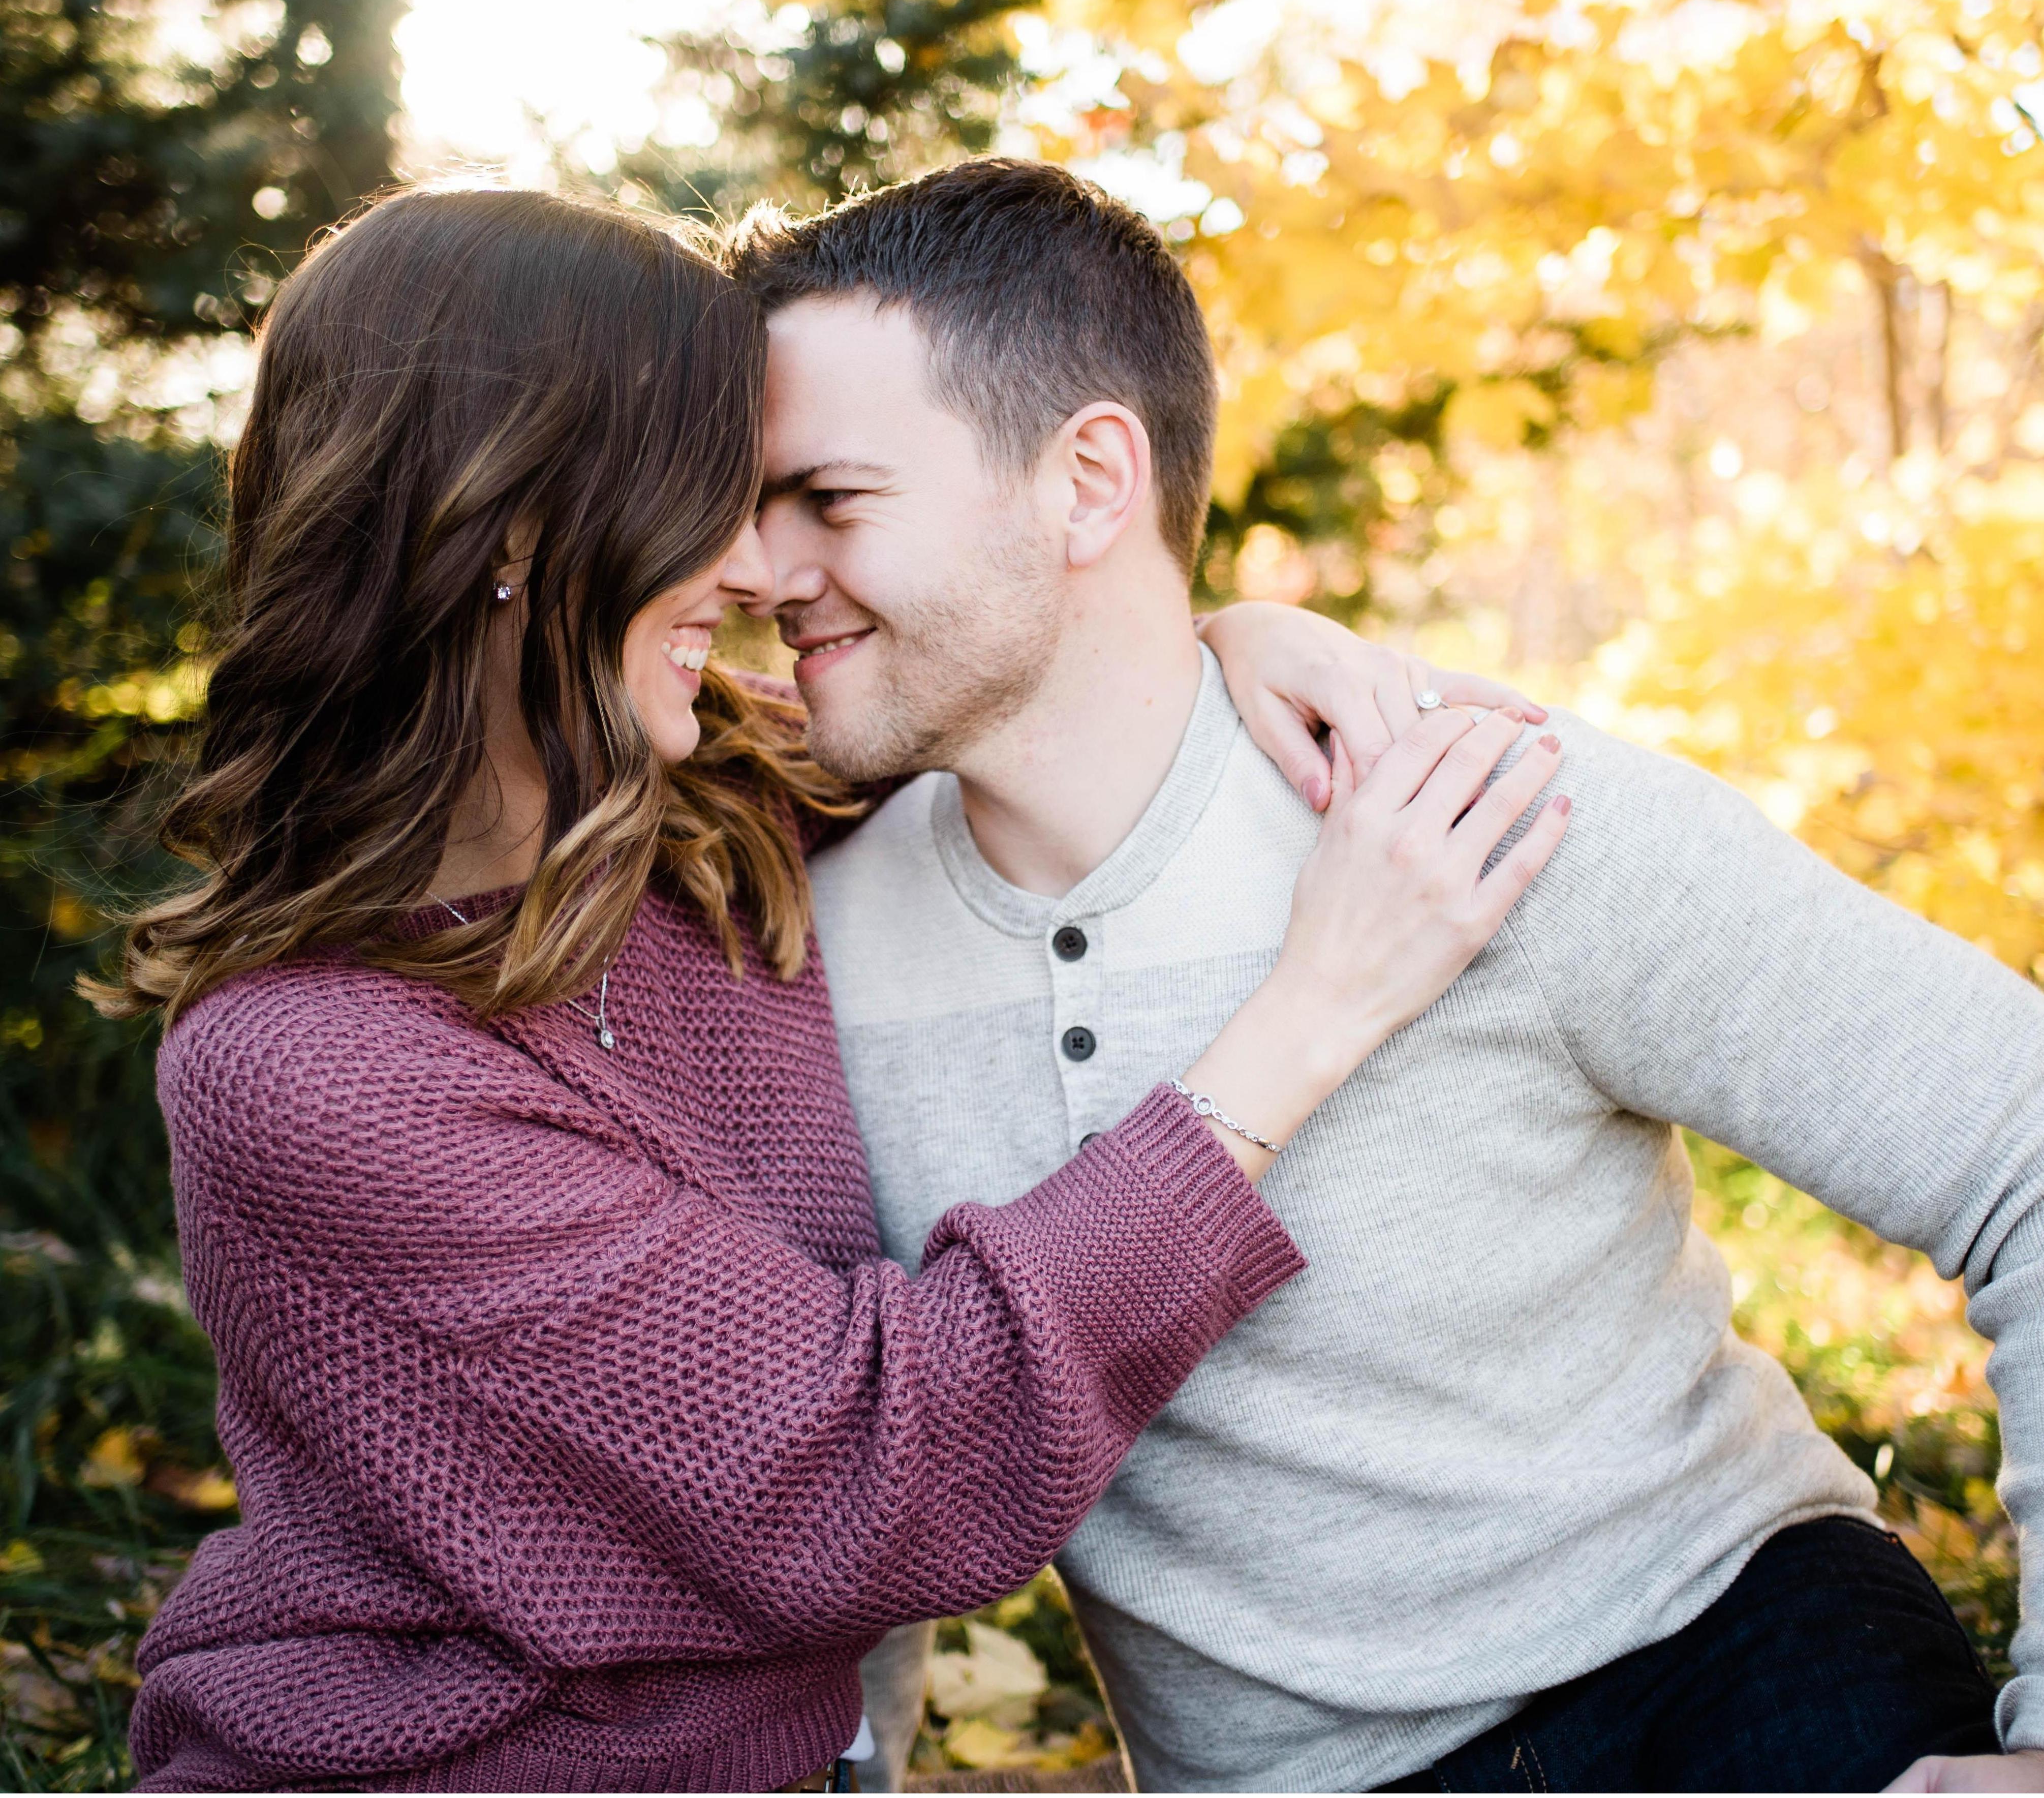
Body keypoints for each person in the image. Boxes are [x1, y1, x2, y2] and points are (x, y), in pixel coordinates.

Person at [95, 184, 1566, 1793]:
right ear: (512, 528)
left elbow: (1017, 671)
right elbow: (874, 1467)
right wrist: (1315, 1012)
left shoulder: (709, 811)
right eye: (707, 496)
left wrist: (1222, 635)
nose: (754, 568)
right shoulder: (316, 1065)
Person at [731, 157, 2044, 1795]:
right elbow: (867, 1457)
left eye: (833, 502)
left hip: (1738, 1675)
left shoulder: (1464, 803)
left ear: (1087, 482)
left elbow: (2023, 1137)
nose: (766, 573)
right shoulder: (805, 959)